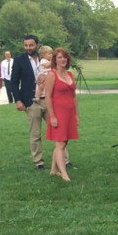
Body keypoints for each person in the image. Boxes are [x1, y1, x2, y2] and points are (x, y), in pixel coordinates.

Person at [10, 35, 49, 170]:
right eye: (26, 45)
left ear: (37, 45)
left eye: (31, 45)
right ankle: (39, 162)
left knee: (58, 130)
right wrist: (18, 100)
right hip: (31, 102)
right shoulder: (19, 60)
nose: (28, 48)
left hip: (49, 100)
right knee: (35, 134)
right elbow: (13, 83)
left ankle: (64, 160)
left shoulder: (45, 58)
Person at [45, 48, 78, 182]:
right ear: (55, 60)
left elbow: (74, 96)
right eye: (59, 57)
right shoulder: (51, 75)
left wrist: (76, 115)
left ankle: (53, 170)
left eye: (64, 57)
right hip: (58, 113)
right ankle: (64, 173)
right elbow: (48, 97)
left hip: (69, 113)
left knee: (63, 143)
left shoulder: (70, 75)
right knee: (60, 143)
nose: (62, 60)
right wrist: (52, 116)